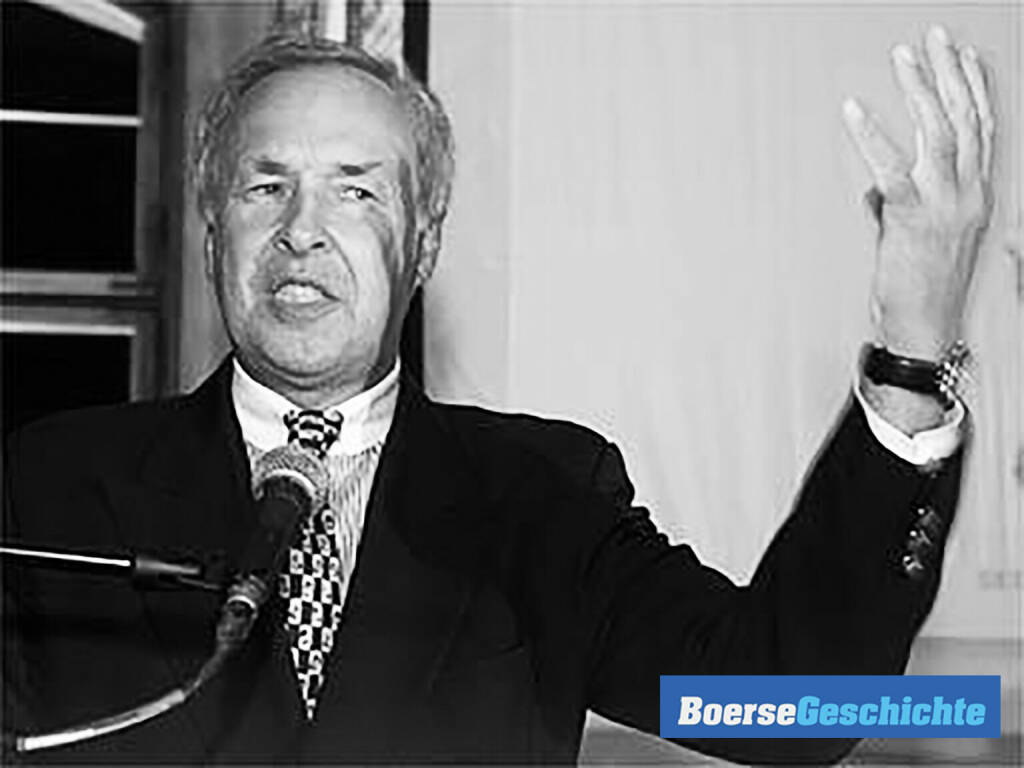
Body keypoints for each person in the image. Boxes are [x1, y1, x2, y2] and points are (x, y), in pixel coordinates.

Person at [2, 23, 994, 765]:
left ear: (423, 241)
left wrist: (912, 348)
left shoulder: (541, 496)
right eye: (266, 187)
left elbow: (795, 709)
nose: (302, 228)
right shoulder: (48, 488)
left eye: (356, 189)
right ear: (213, 230)